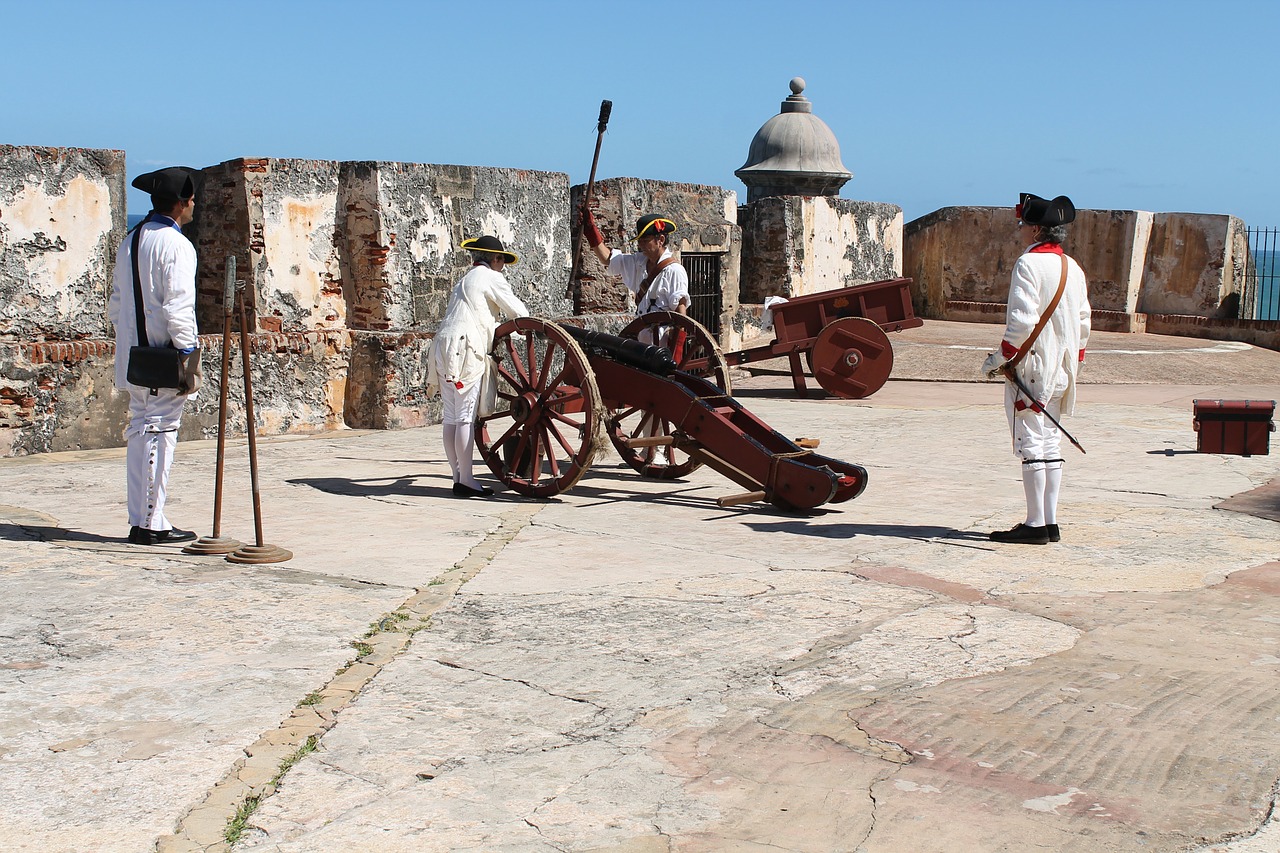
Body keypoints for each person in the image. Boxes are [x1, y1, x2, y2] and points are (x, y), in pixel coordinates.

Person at [983, 193, 1092, 545]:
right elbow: (1084, 322)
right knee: (1050, 443)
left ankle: (1034, 525)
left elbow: (1022, 321)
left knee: (1031, 443)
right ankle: (1050, 522)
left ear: (1034, 230)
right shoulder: (1072, 268)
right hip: (1061, 368)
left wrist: (999, 358)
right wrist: (1072, 361)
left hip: (1032, 367)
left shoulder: (1028, 264)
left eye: (1023, 226)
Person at [107, 167, 202, 545]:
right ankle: (151, 521)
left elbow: (116, 304)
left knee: (141, 429)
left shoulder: (131, 239)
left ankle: (144, 516)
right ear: (181, 204)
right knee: (159, 433)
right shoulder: (176, 245)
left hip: (134, 354)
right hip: (163, 356)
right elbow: (178, 306)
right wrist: (187, 350)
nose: (194, 206)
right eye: (192, 201)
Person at [430, 235, 529, 498]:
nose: (503, 267)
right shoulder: (490, 277)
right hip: (466, 349)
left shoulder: (464, 280)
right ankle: (467, 480)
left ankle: (458, 477)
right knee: (464, 416)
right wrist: (532, 330)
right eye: (502, 261)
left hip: (443, 346)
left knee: (451, 416)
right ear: (494, 259)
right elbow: (517, 311)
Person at [581, 210, 690, 323]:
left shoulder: (675, 270)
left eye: (646, 241)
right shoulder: (638, 261)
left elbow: (680, 309)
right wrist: (591, 231)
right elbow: (608, 259)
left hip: (663, 336)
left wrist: (677, 340)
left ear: (660, 240)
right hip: (641, 334)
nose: (640, 245)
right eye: (640, 241)